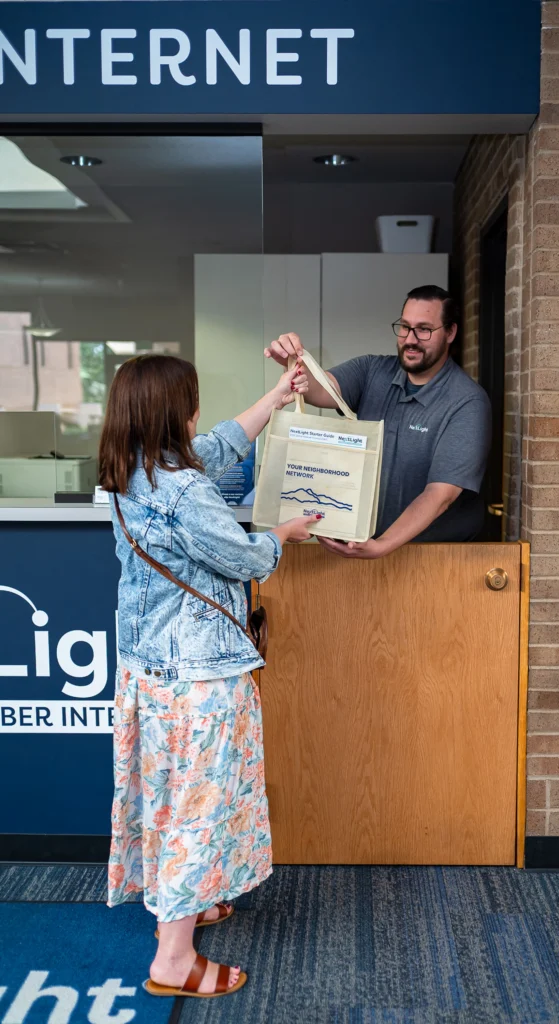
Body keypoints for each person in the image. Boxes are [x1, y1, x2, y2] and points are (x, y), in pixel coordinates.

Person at [99, 354, 317, 999]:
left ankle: (185, 902)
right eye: (192, 401)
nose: (200, 413)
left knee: (168, 798)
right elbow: (241, 555)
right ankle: (174, 960)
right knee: (199, 807)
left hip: (150, 671)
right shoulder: (185, 490)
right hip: (197, 679)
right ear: (176, 413)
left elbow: (215, 450)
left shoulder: (128, 472)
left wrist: (276, 397)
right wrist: (286, 532)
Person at [264, 284, 492, 558]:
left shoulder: (467, 402)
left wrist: (384, 544)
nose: (410, 339)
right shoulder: (373, 370)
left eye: (424, 329)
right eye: (405, 327)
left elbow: (440, 494)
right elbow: (321, 388)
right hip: (365, 549)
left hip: (434, 562)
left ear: (451, 332)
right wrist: (293, 363)